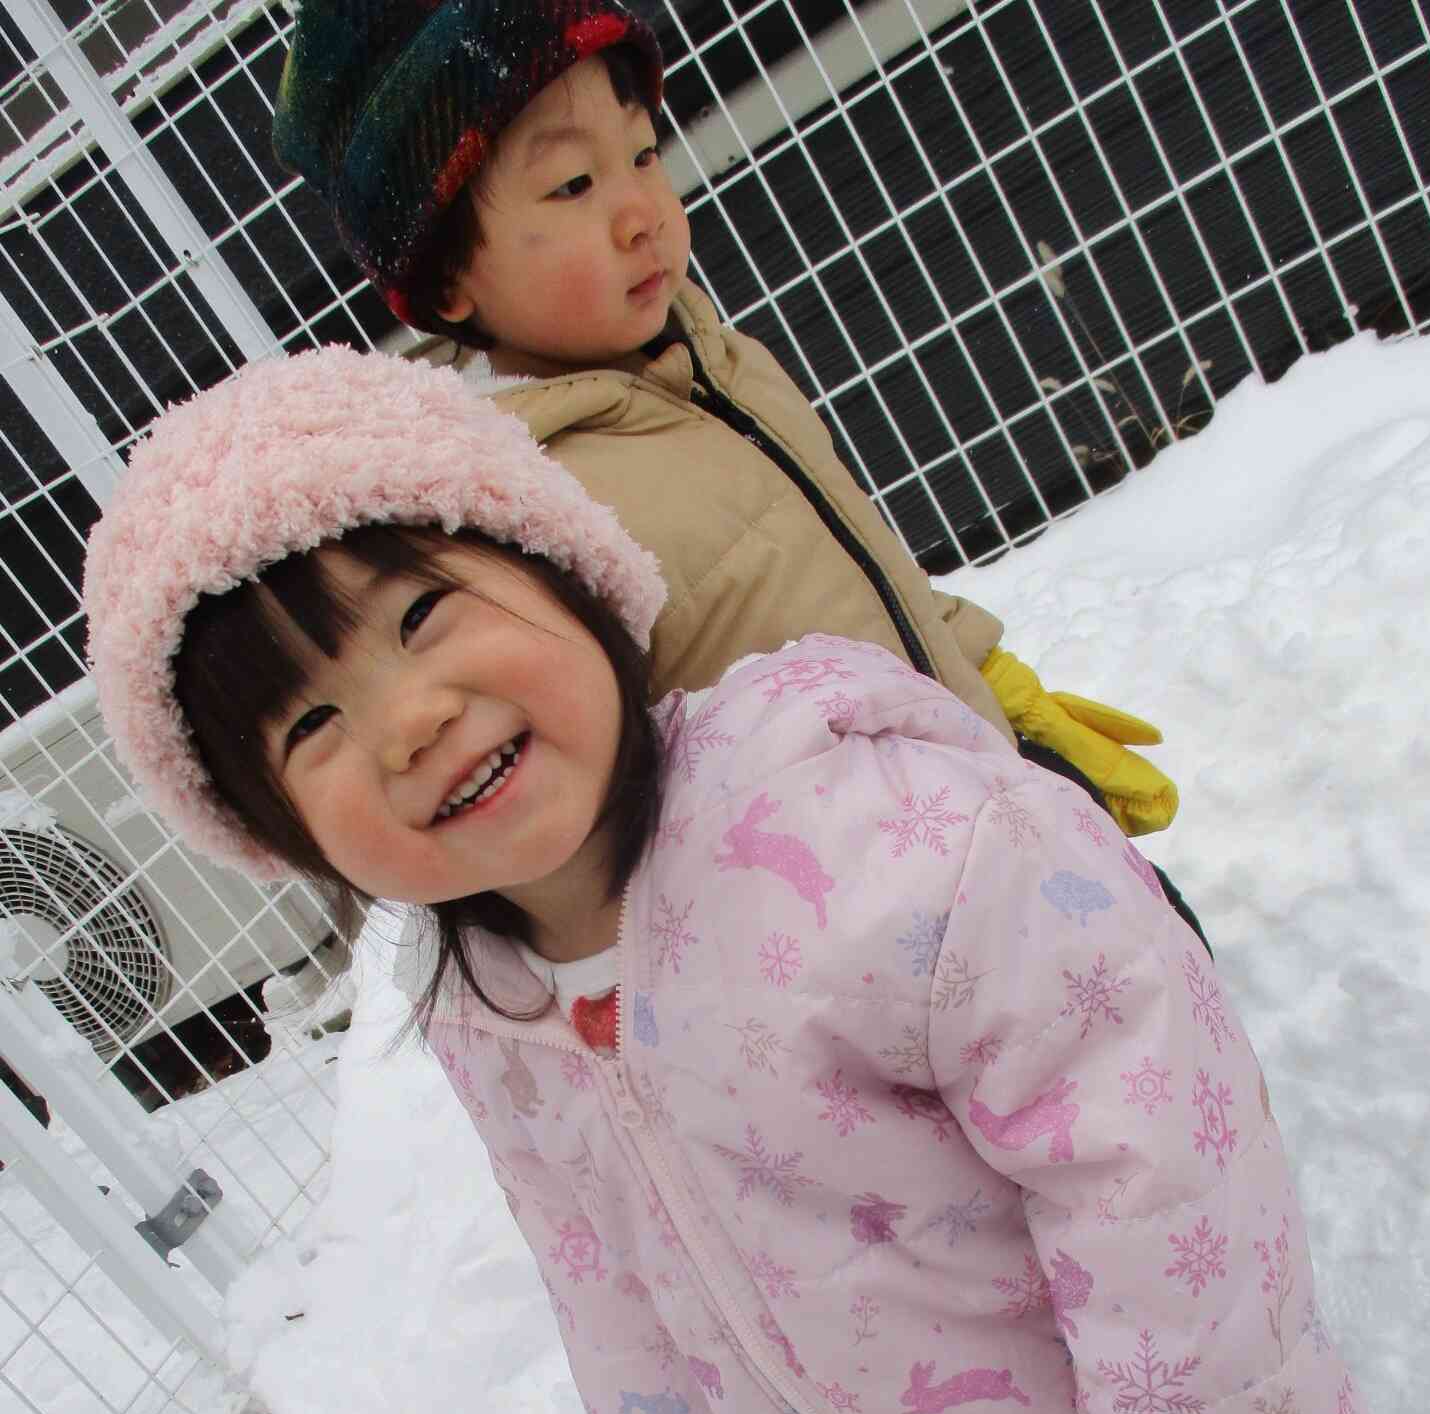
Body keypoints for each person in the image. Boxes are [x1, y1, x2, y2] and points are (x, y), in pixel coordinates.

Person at [82, 348, 1430, 1414]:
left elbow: (1144, 1120)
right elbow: (576, 1208)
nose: (406, 714)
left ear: (562, 567)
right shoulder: (483, 993)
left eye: (422, 614)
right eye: (310, 724)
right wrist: (674, 1401)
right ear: (281, 833)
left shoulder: (865, 826)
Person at [270, 0, 1181, 842]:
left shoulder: (717, 357)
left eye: (642, 154)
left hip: (990, 800)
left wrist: (990, 689)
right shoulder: (529, 513)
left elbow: (854, 553)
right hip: (872, 913)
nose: (641, 215)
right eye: (573, 184)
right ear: (447, 281)